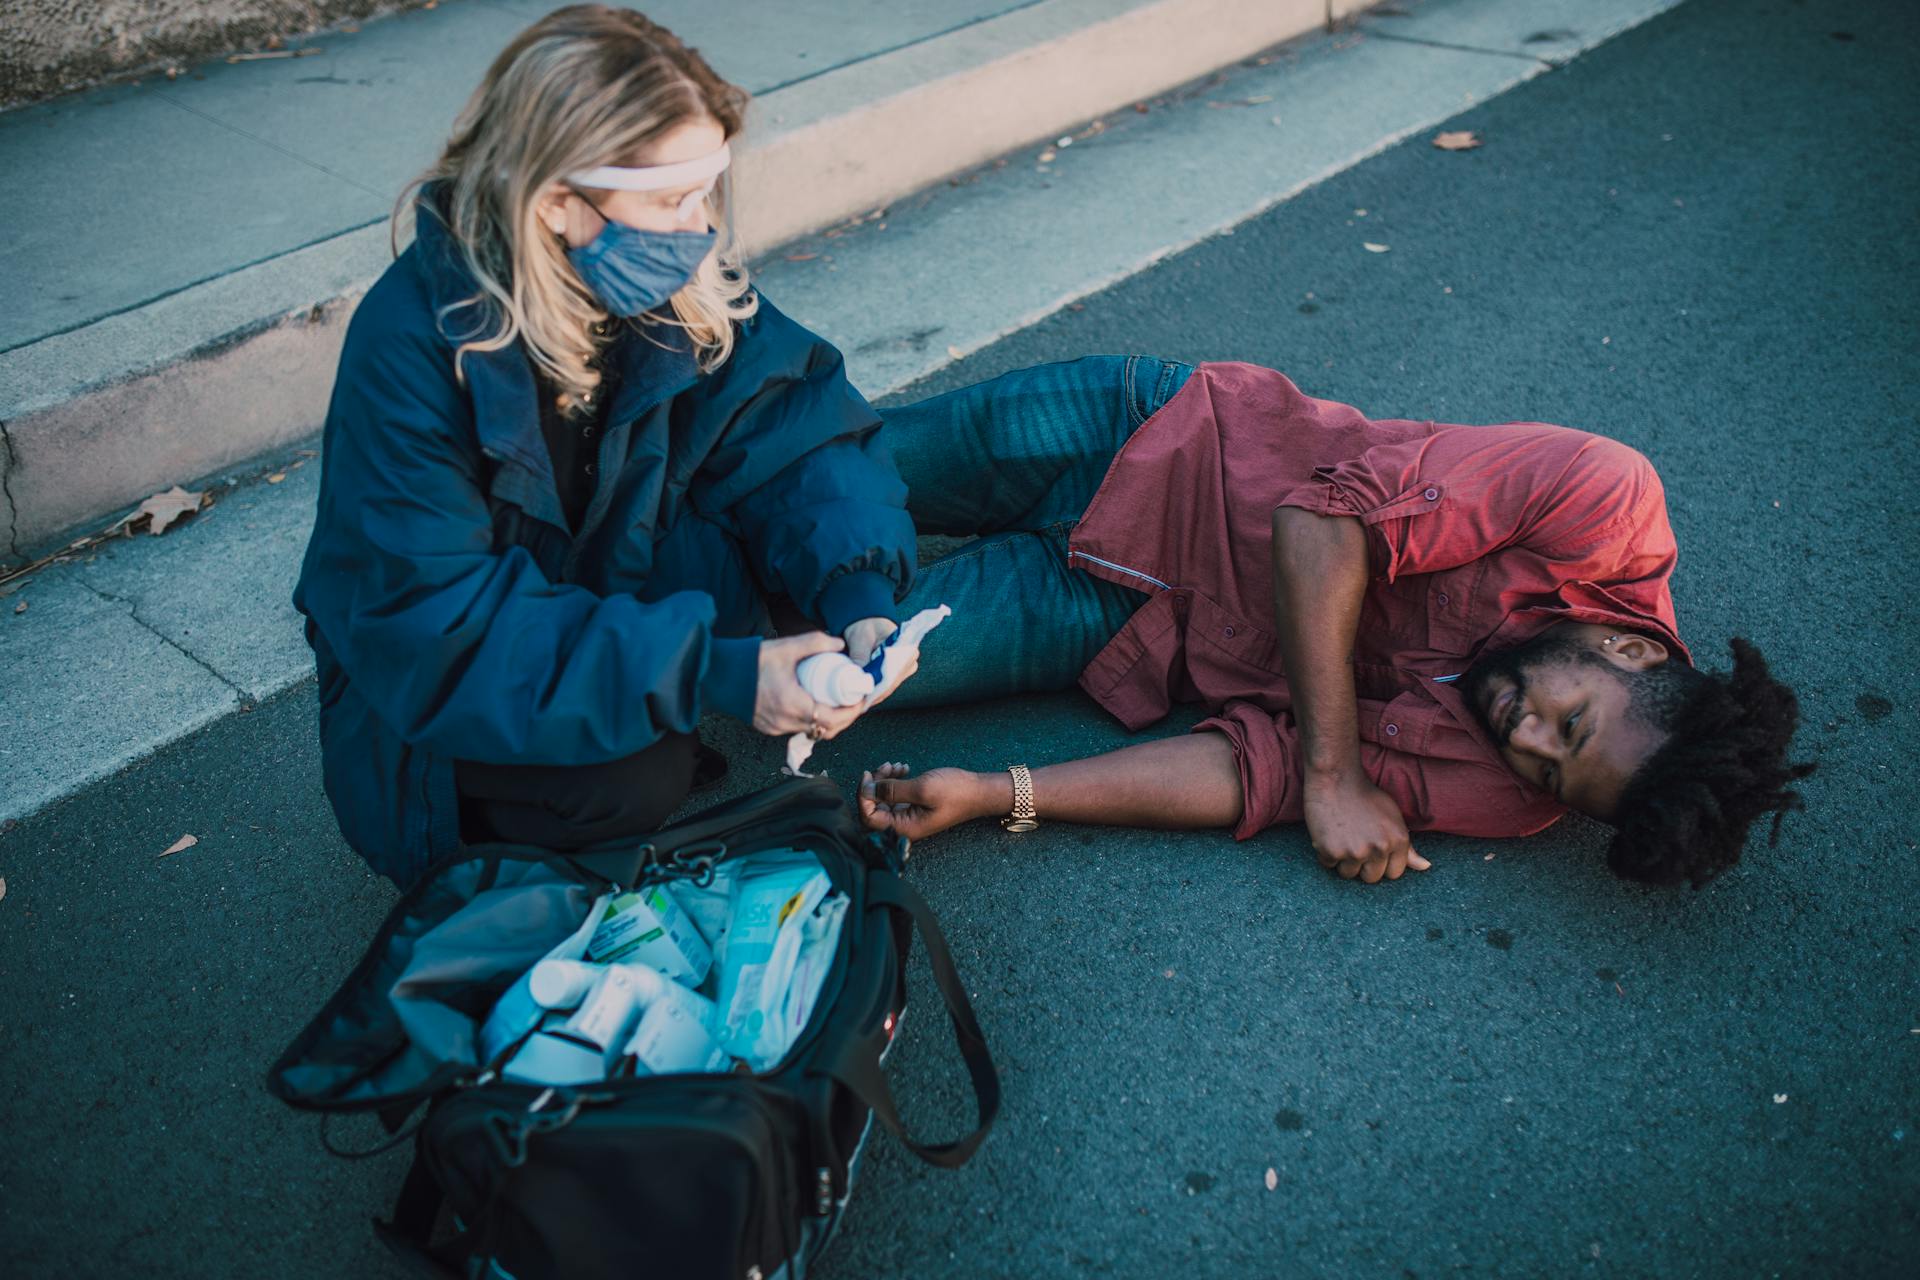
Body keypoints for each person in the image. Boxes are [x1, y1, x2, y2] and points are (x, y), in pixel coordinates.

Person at [294, 6, 913, 887]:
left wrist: (858, 593)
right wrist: (713, 670)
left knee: (811, 547)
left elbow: (791, 418)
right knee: (633, 777)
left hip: (588, 576)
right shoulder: (414, 346)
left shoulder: (651, 268)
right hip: (431, 705)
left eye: (705, 190)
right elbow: (443, 628)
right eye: (670, 200)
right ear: (554, 199)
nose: (700, 228)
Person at [855, 357, 1814, 888]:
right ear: (1629, 646)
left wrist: (997, 794)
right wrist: (1337, 770)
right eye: (1569, 724)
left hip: (1115, 619)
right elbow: (1321, 524)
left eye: (1551, 770)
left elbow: (1253, 774)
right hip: (1157, 434)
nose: (1525, 740)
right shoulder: (1602, 499)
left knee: (831, 668)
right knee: (820, 481)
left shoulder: (1513, 799)